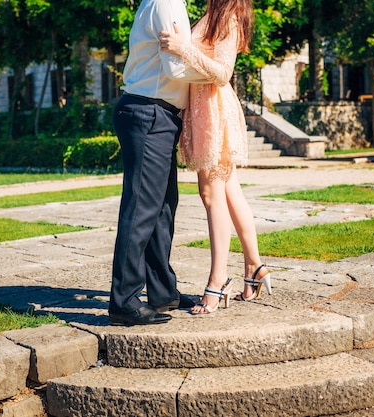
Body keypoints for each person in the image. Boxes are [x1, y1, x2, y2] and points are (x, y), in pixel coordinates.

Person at [159, 0, 271, 315]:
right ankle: (254, 266)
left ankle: (218, 280)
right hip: (204, 109)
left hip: (214, 111)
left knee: (211, 194)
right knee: (229, 192)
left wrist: (183, 47)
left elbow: (223, 74)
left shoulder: (229, 17)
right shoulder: (214, 13)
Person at [108, 0, 209, 326]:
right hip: (149, 112)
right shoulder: (166, 3)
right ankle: (124, 301)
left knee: (162, 207)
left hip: (156, 113)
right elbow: (175, 68)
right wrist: (218, 72)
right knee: (141, 208)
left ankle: (163, 292)